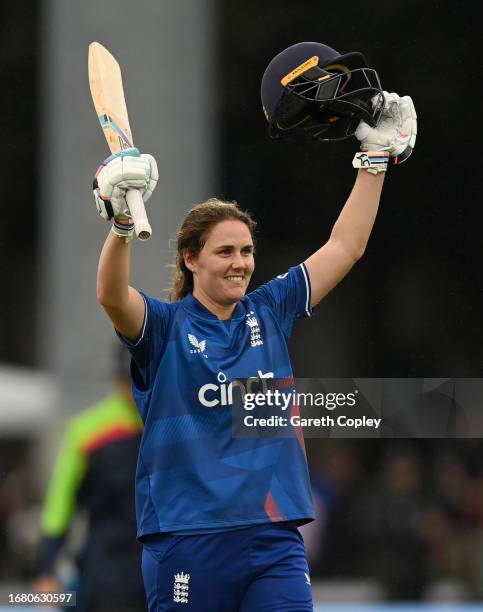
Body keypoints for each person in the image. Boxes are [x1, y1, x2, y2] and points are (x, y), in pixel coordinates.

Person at [93, 42, 416, 611]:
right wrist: (121, 222)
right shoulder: (164, 329)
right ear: (191, 259)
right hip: (187, 542)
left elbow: (346, 245)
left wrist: (375, 161)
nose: (241, 262)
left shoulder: (270, 309)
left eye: (246, 250)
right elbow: (111, 295)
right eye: (224, 252)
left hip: (274, 538)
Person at [34, 347, 145, 612]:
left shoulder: (171, 423)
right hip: (109, 574)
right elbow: (59, 506)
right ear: (119, 380)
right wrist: (46, 571)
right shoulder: (86, 430)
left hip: (168, 572)